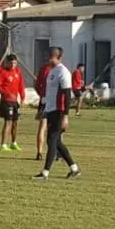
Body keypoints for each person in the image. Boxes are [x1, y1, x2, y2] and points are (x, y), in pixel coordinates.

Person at [34, 47, 81, 181]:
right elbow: (49, 94)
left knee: (52, 140)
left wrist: (66, 115)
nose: (46, 59)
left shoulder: (63, 72)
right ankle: (74, 169)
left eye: (49, 56)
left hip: (59, 111)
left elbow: (67, 95)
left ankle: (45, 172)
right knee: (57, 142)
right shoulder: (51, 71)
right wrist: (43, 108)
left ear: (55, 57)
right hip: (51, 110)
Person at [0, 53, 25, 151]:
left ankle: (13, 143)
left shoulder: (18, 72)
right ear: (7, 63)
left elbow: (21, 86)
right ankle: (3, 145)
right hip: (6, 101)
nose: (13, 65)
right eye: (11, 63)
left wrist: (23, 97)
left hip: (15, 101)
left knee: (15, 122)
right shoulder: (3, 72)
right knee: (8, 122)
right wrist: (6, 93)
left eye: (15, 63)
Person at [33, 58, 52, 160]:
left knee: (42, 127)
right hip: (53, 102)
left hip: (44, 100)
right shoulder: (59, 70)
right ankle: (56, 152)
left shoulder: (43, 69)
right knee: (56, 128)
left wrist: (42, 95)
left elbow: (36, 85)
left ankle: (39, 152)